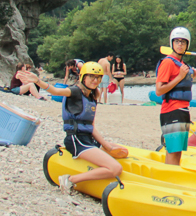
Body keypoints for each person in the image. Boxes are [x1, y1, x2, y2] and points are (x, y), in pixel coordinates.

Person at [18, 62, 126, 194]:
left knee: (121, 150)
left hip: (87, 140)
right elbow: (55, 91)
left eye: (98, 77)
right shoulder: (75, 91)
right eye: (91, 76)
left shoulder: (92, 97)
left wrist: (107, 146)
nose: (95, 80)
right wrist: (38, 81)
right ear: (83, 77)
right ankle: (70, 179)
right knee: (116, 168)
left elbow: (91, 126)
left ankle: (102, 151)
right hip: (76, 140)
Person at [155, 27, 196, 166]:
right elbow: (159, 90)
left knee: (177, 152)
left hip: (183, 110)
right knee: (173, 152)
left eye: (183, 42)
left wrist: (190, 75)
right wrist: (180, 77)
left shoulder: (183, 65)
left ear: (187, 45)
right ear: (172, 43)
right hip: (171, 111)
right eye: (177, 41)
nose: (180, 45)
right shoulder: (167, 62)